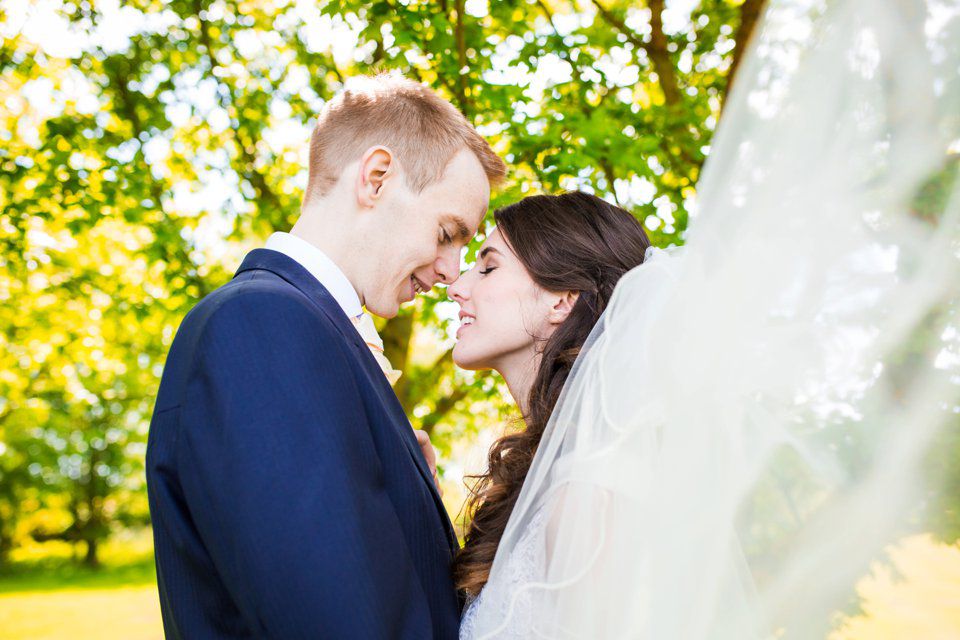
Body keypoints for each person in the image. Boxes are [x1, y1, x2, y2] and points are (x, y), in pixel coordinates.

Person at [452, 0, 960, 637]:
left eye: (488, 266)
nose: (457, 283)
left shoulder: (589, 494)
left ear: (561, 302)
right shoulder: (558, 477)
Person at [145, 73, 505, 639]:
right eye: (445, 233)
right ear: (377, 178)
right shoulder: (263, 324)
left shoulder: (306, 329)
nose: (450, 271)